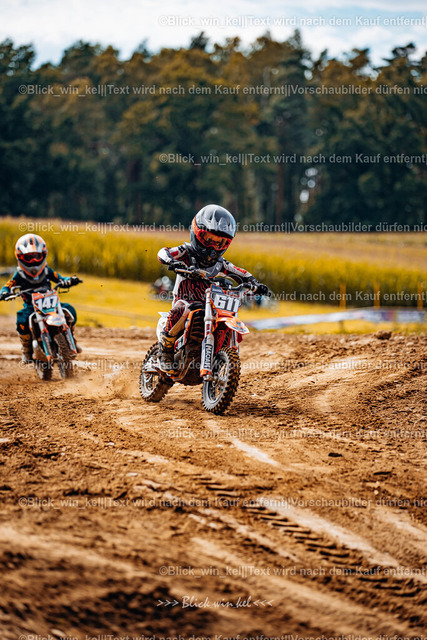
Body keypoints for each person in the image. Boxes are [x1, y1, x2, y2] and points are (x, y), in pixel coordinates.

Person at [157, 204, 269, 371]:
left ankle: (219, 355)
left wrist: (255, 284)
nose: (212, 247)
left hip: (210, 305)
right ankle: (165, 351)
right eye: (209, 239)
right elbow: (163, 252)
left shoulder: (221, 264)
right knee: (182, 309)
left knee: (223, 315)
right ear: (197, 233)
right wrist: (173, 262)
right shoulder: (186, 252)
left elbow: (241, 272)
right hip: (185, 300)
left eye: (220, 242)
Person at [0, 233, 81, 363]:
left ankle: (71, 338)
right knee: (21, 320)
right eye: (29, 257)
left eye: (37, 256)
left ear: (43, 255)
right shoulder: (19, 275)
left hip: (51, 303)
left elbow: (60, 278)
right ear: (20, 257)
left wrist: (69, 280)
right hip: (31, 306)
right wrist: (4, 293)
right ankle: (26, 350)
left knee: (70, 310)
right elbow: (8, 285)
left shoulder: (47, 270)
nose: (33, 261)